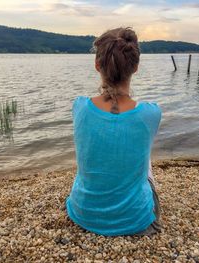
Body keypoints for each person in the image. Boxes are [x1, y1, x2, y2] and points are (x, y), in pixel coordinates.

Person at [65, 27, 162, 236]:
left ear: (97, 65)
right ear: (135, 67)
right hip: (134, 219)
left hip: (83, 212)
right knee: (143, 154)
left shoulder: (79, 106)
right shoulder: (151, 113)